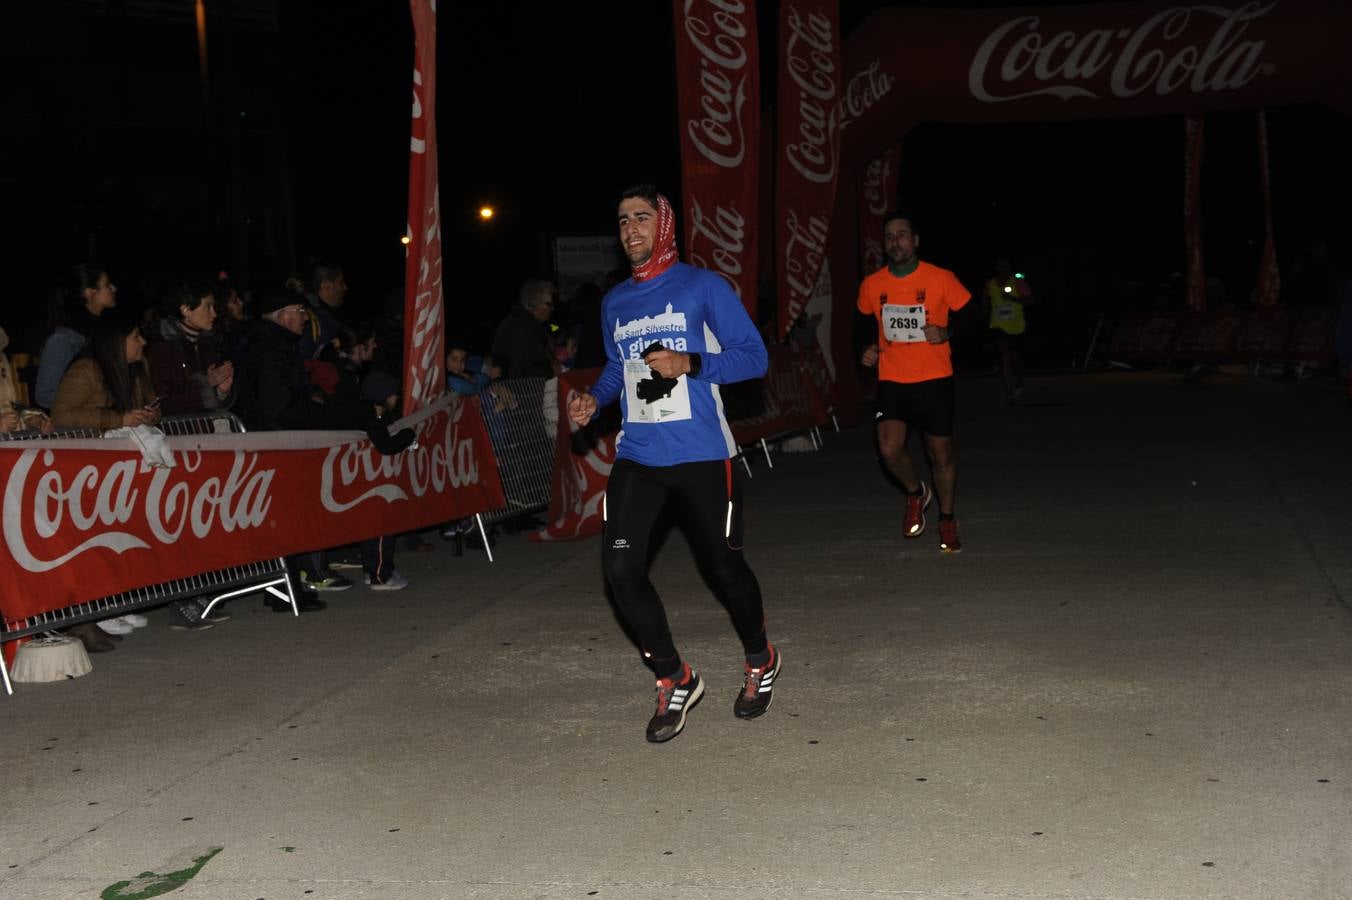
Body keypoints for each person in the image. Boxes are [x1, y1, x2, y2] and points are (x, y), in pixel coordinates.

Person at [567, 184, 778, 744]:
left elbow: (754, 357)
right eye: (621, 221)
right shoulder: (615, 302)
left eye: (640, 217)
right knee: (619, 570)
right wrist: (594, 398)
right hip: (639, 453)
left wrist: (692, 361)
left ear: (663, 225)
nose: (630, 229)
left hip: (704, 454)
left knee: (724, 569)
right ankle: (674, 676)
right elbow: (618, 368)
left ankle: (760, 657)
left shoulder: (702, 286)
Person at [230, 289, 414, 600]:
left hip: (287, 438)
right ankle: (285, 588)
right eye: (300, 310)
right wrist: (320, 413)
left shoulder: (276, 345)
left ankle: (291, 585)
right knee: (287, 518)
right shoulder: (269, 348)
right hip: (280, 442)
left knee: (296, 516)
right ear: (283, 314)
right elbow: (278, 404)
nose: (304, 317)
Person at [857, 212, 971, 553]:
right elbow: (862, 326)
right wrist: (867, 349)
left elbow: (974, 318)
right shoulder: (872, 285)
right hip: (893, 379)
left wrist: (946, 331)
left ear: (915, 240)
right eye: (890, 236)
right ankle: (916, 493)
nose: (896, 242)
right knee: (889, 449)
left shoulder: (941, 278)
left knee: (941, 453)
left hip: (935, 379)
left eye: (902, 235)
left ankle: (947, 519)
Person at [50, 312, 161, 647]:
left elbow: (141, 407)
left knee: (125, 533)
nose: (142, 342)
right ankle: (99, 607)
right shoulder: (87, 370)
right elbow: (62, 415)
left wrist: (149, 412)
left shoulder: (137, 370)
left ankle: (116, 600)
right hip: (86, 469)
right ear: (117, 341)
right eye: (135, 336)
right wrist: (117, 418)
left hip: (123, 468)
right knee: (97, 537)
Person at [35, 263, 118, 410]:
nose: (114, 288)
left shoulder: (106, 330)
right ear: (90, 293)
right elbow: (46, 396)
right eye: (107, 284)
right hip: (78, 425)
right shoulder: (64, 339)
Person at [984, 256, 1033, 404]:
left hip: (1016, 327)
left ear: (1010, 268)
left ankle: (1019, 380)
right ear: (996, 268)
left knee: (1015, 359)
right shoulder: (990, 283)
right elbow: (984, 300)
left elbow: (1031, 301)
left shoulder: (1018, 282)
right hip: (998, 326)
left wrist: (1013, 299)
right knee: (1004, 355)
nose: (1003, 269)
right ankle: (1011, 391)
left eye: (1006, 266)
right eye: (1000, 266)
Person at [491, 280, 563, 379]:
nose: (552, 308)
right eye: (548, 304)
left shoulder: (533, 323)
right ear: (534, 305)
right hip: (525, 389)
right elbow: (522, 371)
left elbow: (555, 330)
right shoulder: (517, 328)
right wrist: (551, 372)